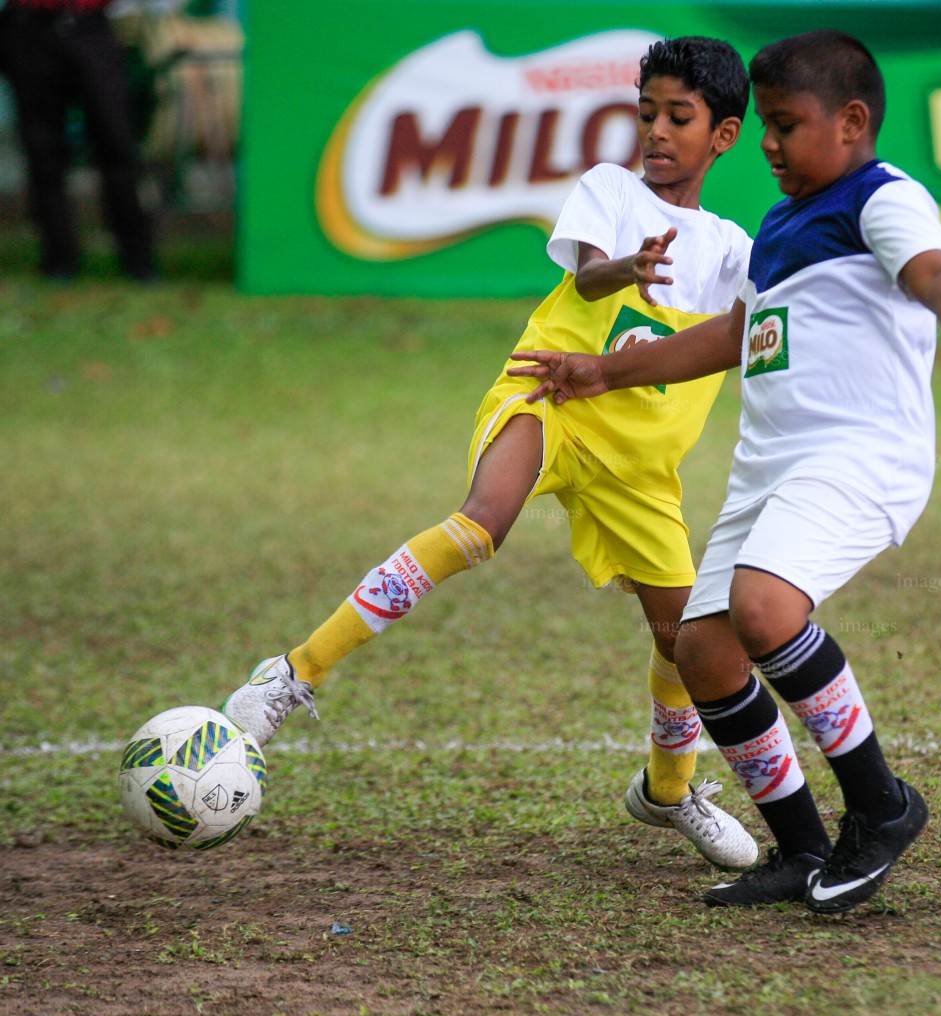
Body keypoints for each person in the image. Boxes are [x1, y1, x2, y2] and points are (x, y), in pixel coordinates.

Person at [220, 36, 760, 871]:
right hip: (546, 396)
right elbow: (584, 280)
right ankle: (289, 677)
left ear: (722, 136)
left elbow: (778, 317)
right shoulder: (608, 189)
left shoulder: (732, 249)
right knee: (481, 525)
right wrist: (629, 269)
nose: (655, 129)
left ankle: (668, 791)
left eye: (677, 117)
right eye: (645, 110)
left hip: (639, 466)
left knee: (682, 638)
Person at [509, 29, 941, 913]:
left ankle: (883, 807)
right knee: (703, 651)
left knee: (763, 608)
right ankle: (801, 849)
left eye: (787, 125)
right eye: (769, 128)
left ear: (852, 122)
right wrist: (603, 369)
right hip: (769, 469)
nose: (772, 146)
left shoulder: (880, 199)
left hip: (860, 458)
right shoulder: (781, 228)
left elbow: (939, 271)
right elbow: (730, 336)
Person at [0, 0, 157, 282]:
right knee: (43, 151)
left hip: (91, 24)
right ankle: (60, 259)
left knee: (118, 142)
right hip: (28, 25)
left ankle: (139, 259)